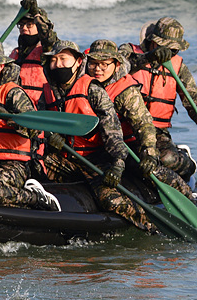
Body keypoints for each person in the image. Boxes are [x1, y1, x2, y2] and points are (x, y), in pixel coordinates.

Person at [39, 40, 155, 232]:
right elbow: (39, 129)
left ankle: (149, 228)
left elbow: (113, 132)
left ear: (77, 62)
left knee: (110, 200)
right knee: (36, 164)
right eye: (54, 60)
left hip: (95, 161)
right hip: (64, 160)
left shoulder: (92, 90)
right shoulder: (47, 93)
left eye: (64, 59)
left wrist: (117, 166)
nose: (58, 64)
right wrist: (48, 138)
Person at [84, 39, 192, 198]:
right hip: (97, 148)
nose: (97, 69)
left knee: (154, 168)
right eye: (93, 63)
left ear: (116, 65)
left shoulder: (126, 91)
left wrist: (149, 154)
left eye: (104, 64)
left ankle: (188, 196)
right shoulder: (80, 81)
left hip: (128, 146)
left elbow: (144, 124)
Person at [0, 39, 59, 210]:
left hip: (13, 164)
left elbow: (34, 129)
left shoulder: (13, 93)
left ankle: (36, 198)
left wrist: (7, 116)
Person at [122, 17, 197, 180]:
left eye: (175, 50)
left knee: (165, 159)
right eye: (167, 48)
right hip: (125, 127)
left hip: (157, 131)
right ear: (154, 41)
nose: (171, 54)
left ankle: (185, 161)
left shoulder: (178, 66)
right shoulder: (129, 52)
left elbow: (192, 99)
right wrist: (149, 57)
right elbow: (120, 69)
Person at [11, 0, 59, 104]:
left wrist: (36, 14)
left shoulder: (48, 50)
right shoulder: (16, 52)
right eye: (21, 25)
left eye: (29, 24)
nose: (24, 28)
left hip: (40, 105)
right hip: (18, 106)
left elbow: (48, 37)